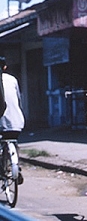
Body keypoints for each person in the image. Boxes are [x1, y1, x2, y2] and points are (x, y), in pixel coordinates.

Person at [0, 57, 25, 185]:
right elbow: (19, 101)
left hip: (2, 122)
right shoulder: (12, 79)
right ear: (5, 67)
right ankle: (16, 165)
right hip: (16, 121)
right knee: (13, 142)